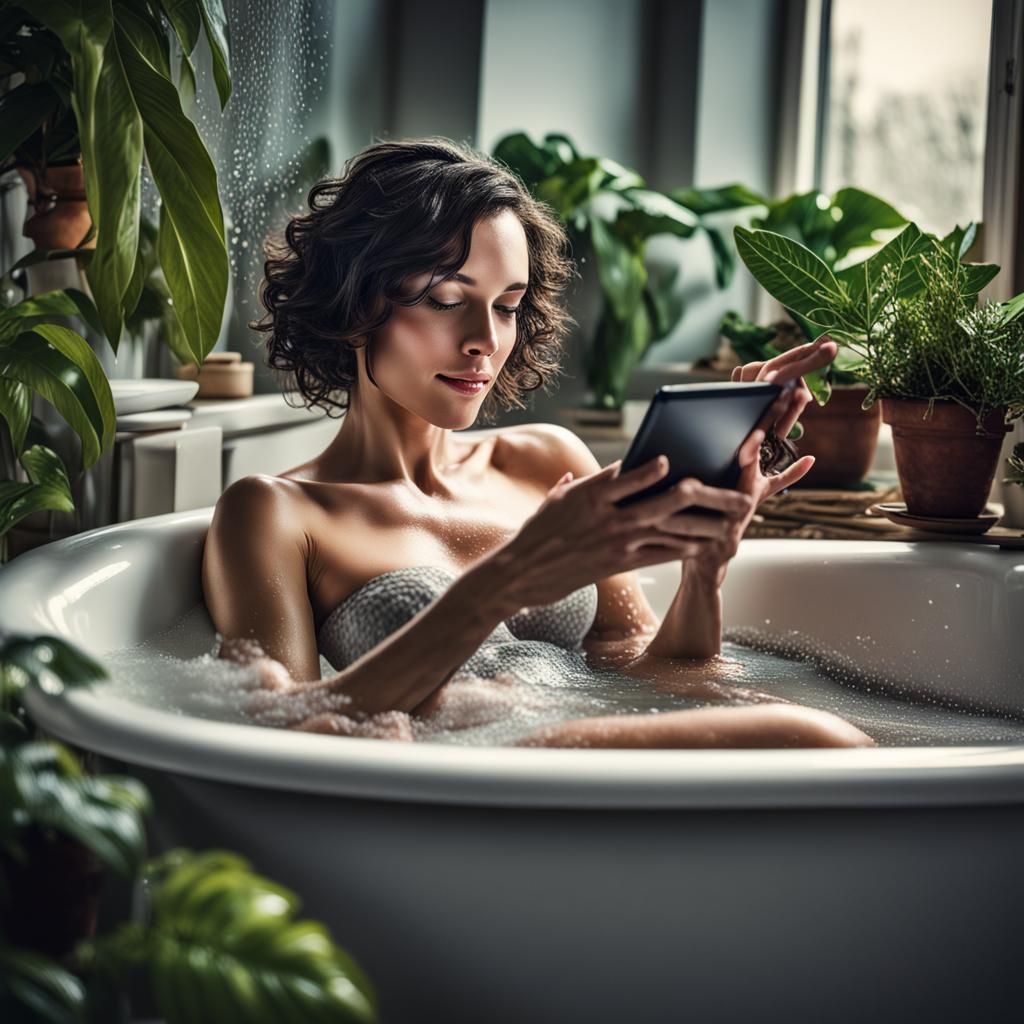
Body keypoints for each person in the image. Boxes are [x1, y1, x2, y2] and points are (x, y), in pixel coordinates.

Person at [203, 138, 873, 749]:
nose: (485, 341)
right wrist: (508, 577)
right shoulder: (275, 513)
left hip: (579, 760)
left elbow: (657, 678)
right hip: (481, 776)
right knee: (819, 738)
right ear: (354, 305)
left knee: (836, 735)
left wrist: (704, 569)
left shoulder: (545, 460)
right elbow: (280, 731)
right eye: (445, 299)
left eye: (505, 305)